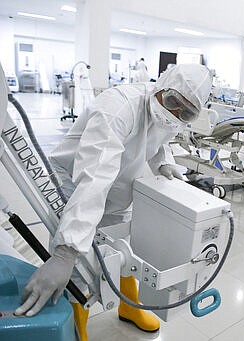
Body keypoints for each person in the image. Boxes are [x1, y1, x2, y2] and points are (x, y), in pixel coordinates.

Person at [14, 64, 213, 340]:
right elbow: (94, 179)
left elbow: (158, 139)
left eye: (186, 113)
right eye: (172, 103)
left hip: (120, 183)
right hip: (77, 181)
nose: (175, 114)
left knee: (124, 251)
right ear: (161, 86)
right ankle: (76, 323)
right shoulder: (118, 108)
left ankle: (129, 307)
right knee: (80, 263)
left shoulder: (169, 114)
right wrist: (65, 252)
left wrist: (164, 163)